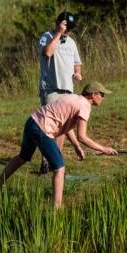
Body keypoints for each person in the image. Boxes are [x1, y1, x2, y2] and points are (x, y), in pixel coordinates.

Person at [0, 81, 118, 208]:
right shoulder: (84, 105)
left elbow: (66, 125)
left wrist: (76, 146)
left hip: (32, 121)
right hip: (42, 128)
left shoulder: (75, 98)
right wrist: (104, 149)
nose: (103, 98)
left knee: (22, 157)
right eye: (102, 94)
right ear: (93, 94)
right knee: (59, 168)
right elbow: (82, 136)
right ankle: (57, 209)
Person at [38, 11, 83, 174]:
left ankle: (55, 160)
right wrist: (58, 33)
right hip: (50, 89)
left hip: (67, 89)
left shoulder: (71, 42)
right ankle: (45, 160)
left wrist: (77, 73)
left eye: (71, 28)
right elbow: (47, 53)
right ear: (57, 23)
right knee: (49, 127)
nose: (68, 31)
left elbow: (77, 64)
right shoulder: (47, 36)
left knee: (62, 127)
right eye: (66, 27)